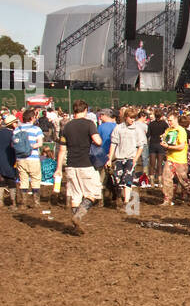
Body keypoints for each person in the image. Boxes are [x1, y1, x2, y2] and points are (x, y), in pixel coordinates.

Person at [56, 100, 102, 235]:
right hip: (86, 164)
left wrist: (58, 168)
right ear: (85, 110)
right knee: (93, 193)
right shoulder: (89, 124)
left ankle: (77, 227)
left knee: (75, 196)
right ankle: (78, 216)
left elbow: (62, 150)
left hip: (70, 165)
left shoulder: (67, 127)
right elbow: (98, 141)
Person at [107, 107, 144, 213]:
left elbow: (140, 146)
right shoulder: (118, 128)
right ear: (126, 117)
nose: (132, 120)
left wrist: (135, 158)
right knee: (118, 180)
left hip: (130, 158)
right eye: (130, 118)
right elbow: (113, 144)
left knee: (128, 180)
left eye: (134, 118)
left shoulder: (137, 130)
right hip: (119, 158)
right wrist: (110, 158)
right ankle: (119, 197)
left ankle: (126, 202)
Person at [13, 108, 44, 209]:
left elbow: (13, 145)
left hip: (20, 158)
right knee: (35, 179)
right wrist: (30, 147)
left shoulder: (17, 129)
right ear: (31, 118)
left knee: (23, 180)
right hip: (33, 158)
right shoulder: (36, 129)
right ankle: (36, 203)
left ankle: (23, 202)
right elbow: (40, 143)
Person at [159, 112, 190, 207]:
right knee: (166, 178)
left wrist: (169, 146)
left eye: (171, 120)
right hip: (170, 158)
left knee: (184, 181)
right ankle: (167, 199)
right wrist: (164, 142)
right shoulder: (168, 130)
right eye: (168, 120)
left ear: (176, 120)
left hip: (180, 159)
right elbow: (165, 141)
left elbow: (181, 146)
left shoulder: (181, 131)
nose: (169, 122)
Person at [0, 113, 20, 210]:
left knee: (1, 181)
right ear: (12, 124)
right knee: (11, 181)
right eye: (16, 122)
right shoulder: (12, 134)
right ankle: (13, 202)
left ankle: (0, 202)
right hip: (8, 159)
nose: (17, 124)